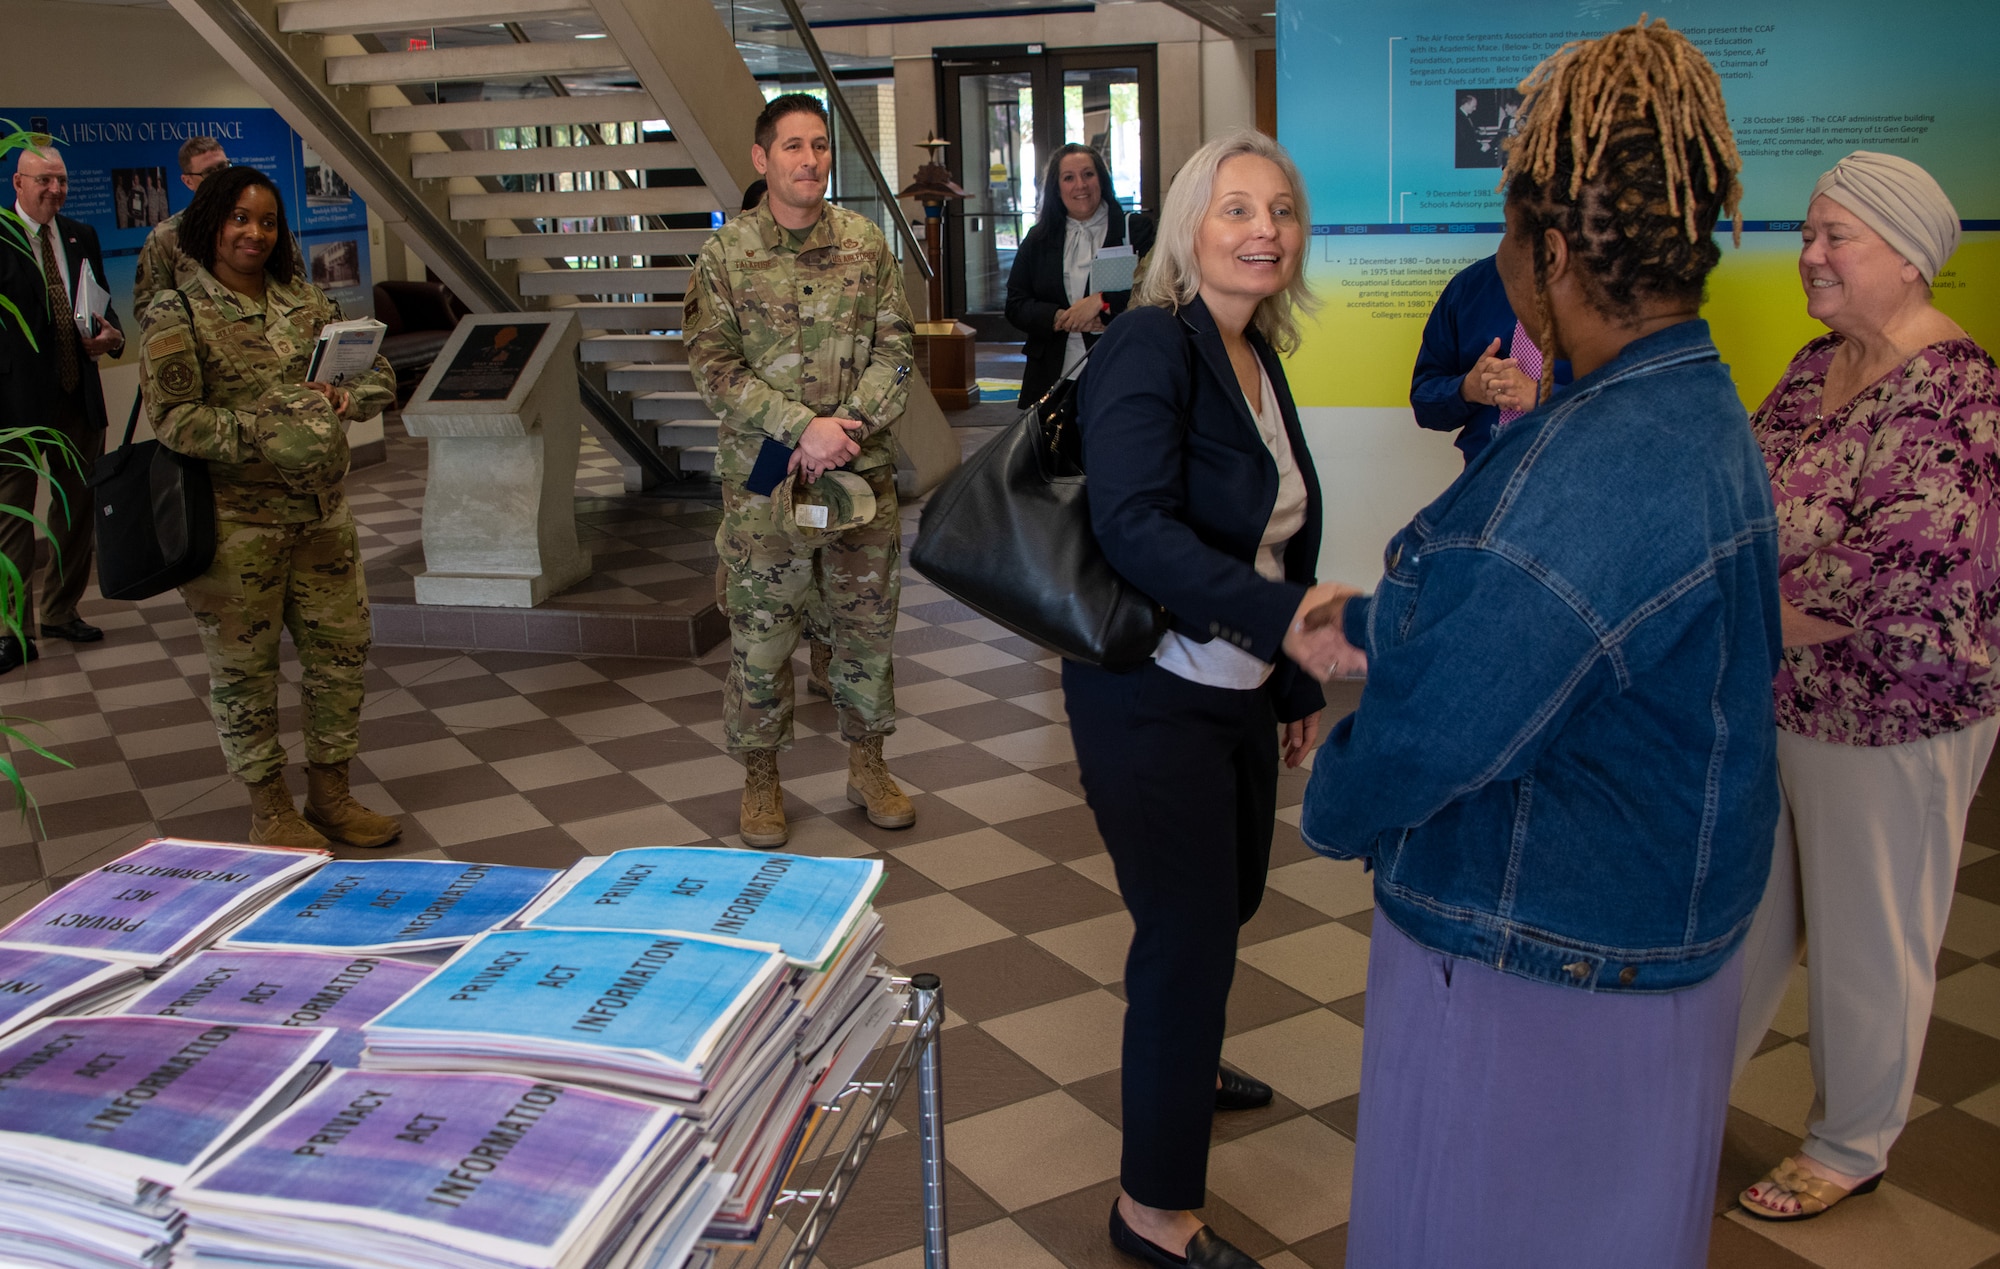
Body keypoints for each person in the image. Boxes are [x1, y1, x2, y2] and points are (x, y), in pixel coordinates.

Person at [1295, 20, 1778, 1266]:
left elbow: (1448, 719)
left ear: (1554, 252)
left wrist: (1333, 795)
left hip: (1539, 964)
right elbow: (1533, 631)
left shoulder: (1592, 465)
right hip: (1641, 940)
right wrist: (1364, 622)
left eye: (1513, 243)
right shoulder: (1690, 405)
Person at [1067, 129, 1337, 1269]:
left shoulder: (1252, 351)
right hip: (1151, 694)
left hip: (1236, 686)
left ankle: (1187, 1055)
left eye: (1279, 210)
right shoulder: (1149, 342)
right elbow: (1133, 527)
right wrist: (1287, 629)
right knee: (1183, 939)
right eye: (1235, 209)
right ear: (1188, 227)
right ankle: (1151, 1210)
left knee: (1221, 911)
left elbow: (1273, 535)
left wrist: (1284, 688)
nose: (1263, 230)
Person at [1731, 153, 2000, 1222]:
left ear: (1905, 254)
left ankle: (1848, 1143)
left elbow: (1890, 574)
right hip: (1783, 698)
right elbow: (1746, 509)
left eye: (1833, 236)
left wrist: (1711, 621)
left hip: (1893, 717)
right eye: (1807, 233)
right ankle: (1678, 1086)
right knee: (1743, 919)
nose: (1808, 255)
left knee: (1867, 936)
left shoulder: (1957, 391)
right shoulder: (1812, 365)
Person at [137, 164, 400, 850]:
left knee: (340, 654)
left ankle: (332, 794)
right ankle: (270, 808)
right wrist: (263, 429)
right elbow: (173, 418)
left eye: (266, 221)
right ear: (212, 223)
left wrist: (349, 397)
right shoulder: (179, 311)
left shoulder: (305, 300)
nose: (254, 233)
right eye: (239, 219)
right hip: (235, 525)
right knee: (245, 671)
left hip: (320, 518)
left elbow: (377, 373)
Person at [685, 93, 917, 850]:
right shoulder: (725, 256)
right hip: (765, 479)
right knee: (761, 634)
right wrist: (802, 430)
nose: (810, 160)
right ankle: (761, 781)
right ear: (762, 159)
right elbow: (714, 368)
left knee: (865, 629)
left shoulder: (864, 242)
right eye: (793, 147)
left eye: (819, 146)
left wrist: (843, 431)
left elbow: (897, 349)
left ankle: (868, 764)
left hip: (857, 478)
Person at [0, 144, 123, 672]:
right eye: (43, 180)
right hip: (15, 408)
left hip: (77, 398)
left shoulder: (81, 235)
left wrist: (112, 337)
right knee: (12, 522)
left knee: (74, 513)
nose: (54, 190)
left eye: (62, 180)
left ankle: (59, 610)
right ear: (18, 185)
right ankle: (11, 631)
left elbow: (100, 305)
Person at [1004, 143, 1155, 406]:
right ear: (1056, 187)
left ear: (1102, 179)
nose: (1080, 185)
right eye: (1069, 178)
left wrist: (1101, 302)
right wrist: (1060, 317)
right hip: (1052, 376)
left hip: (1119, 370)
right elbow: (1016, 304)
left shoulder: (1136, 229)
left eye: (1088, 174)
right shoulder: (1038, 239)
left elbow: (1157, 291)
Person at [1409, 253, 1570, 463]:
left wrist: (1543, 396)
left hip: (1579, 472)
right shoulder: (1469, 286)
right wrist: (1468, 389)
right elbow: (1425, 405)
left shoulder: (1609, 288)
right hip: (1486, 475)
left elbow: (1624, 405)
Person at [132, 135, 230, 309]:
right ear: (188, 181)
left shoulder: (262, 224)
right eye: (208, 172)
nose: (220, 177)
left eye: (223, 167)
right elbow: (149, 307)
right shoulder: (166, 237)